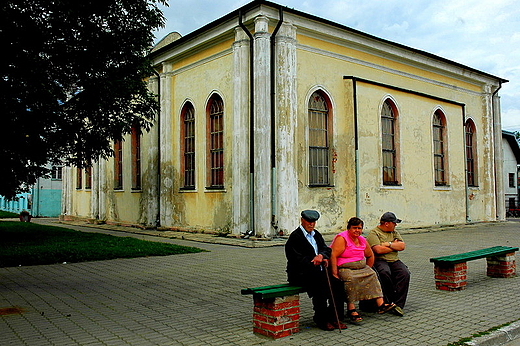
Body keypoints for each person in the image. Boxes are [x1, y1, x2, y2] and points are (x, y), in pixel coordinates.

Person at [285, 210, 347, 331]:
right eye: (309, 221)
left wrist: (322, 256)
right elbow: (295, 259)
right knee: (321, 288)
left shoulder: (316, 234)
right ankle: (321, 319)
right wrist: (313, 260)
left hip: (318, 272)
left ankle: (334, 317)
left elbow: (326, 249)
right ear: (302, 220)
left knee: (338, 286)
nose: (311, 224)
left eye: (314, 222)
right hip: (301, 274)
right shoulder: (295, 237)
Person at [330, 217, 396, 323]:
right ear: (349, 228)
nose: (357, 230)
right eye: (354, 228)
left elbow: (370, 255)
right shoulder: (342, 238)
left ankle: (381, 304)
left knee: (372, 274)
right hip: (345, 268)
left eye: (359, 228)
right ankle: (351, 309)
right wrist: (334, 272)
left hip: (360, 267)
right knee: (350, 280)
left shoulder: (362, 239)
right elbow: (333, 255)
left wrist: (368, 268)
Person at [365, 212, 410, 316]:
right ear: (386, 223)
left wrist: (387, 244)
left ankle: (398, 305)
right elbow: (378, 250)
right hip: (380, 260)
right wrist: (394, 245)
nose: (395, 225)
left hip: (394, 260)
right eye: (394, 223)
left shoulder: (394, 232)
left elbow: (402, 246)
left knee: (404, 273)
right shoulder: (374, 233)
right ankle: (387, 301)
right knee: (384, 273)